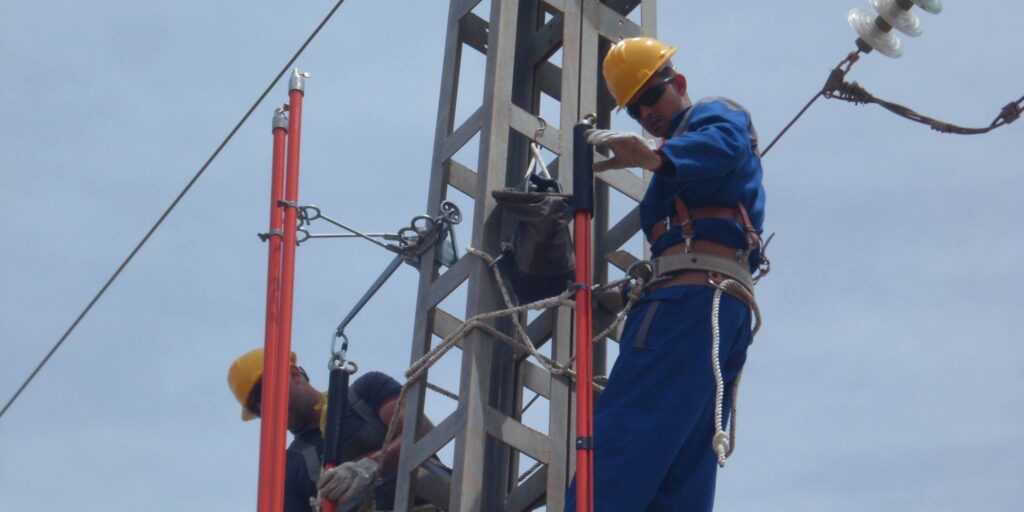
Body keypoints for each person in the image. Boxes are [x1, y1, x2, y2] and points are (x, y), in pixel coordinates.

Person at [565, 37, 767, 511]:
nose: (646, 114)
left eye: (651, 96)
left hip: (690, 306)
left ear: (678, 83)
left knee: (625, 439)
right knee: (680, 466)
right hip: (717, 309)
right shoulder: (680, 161)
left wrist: (656, 156)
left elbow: (723, 143)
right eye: (634, 110)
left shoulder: (713, 116)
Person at [227, 348, 449, 511]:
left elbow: (420, 433)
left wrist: (369, 466)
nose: (263, 407)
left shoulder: (367, 392)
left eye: (263, 392)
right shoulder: (289, 469)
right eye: (256, 408)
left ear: (294, 375)